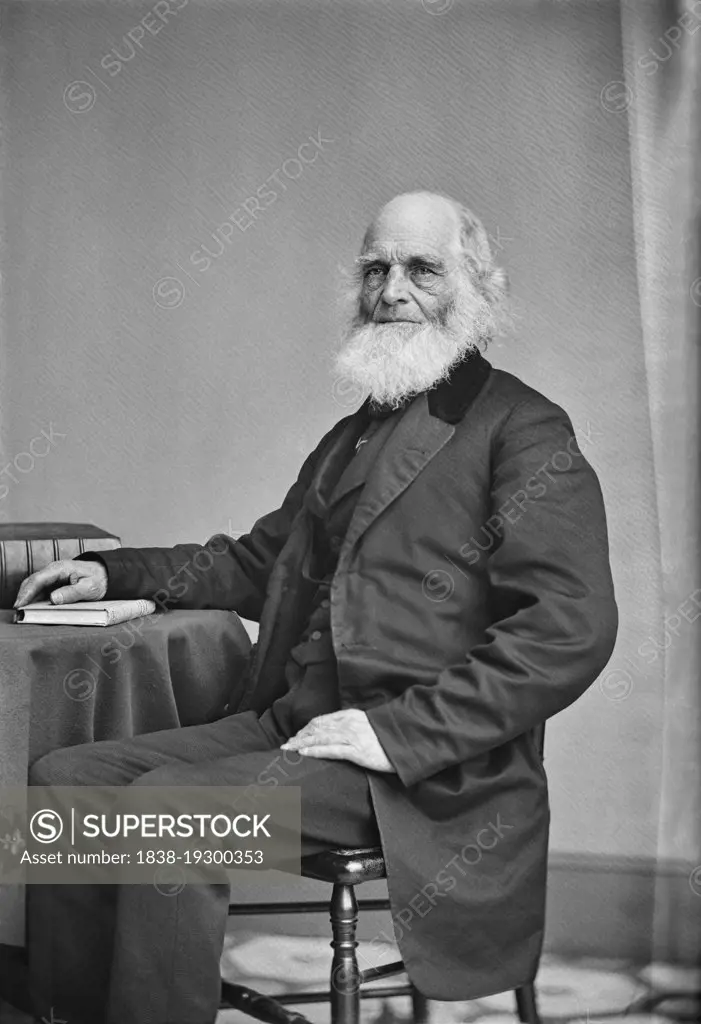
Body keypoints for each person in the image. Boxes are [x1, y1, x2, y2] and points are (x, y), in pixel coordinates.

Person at [14, 191, 618, 1024]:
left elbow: (567, 630)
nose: (391, 291)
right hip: (296, 722)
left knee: (165, 817)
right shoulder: (353, 434)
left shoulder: (524, 430)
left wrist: (396, 733)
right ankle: (71, 1013)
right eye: (375, 269)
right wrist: (114, 572)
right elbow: (261, 563)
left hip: (419, 768)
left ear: (480, 287)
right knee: (64, 784)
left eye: (421, 269)